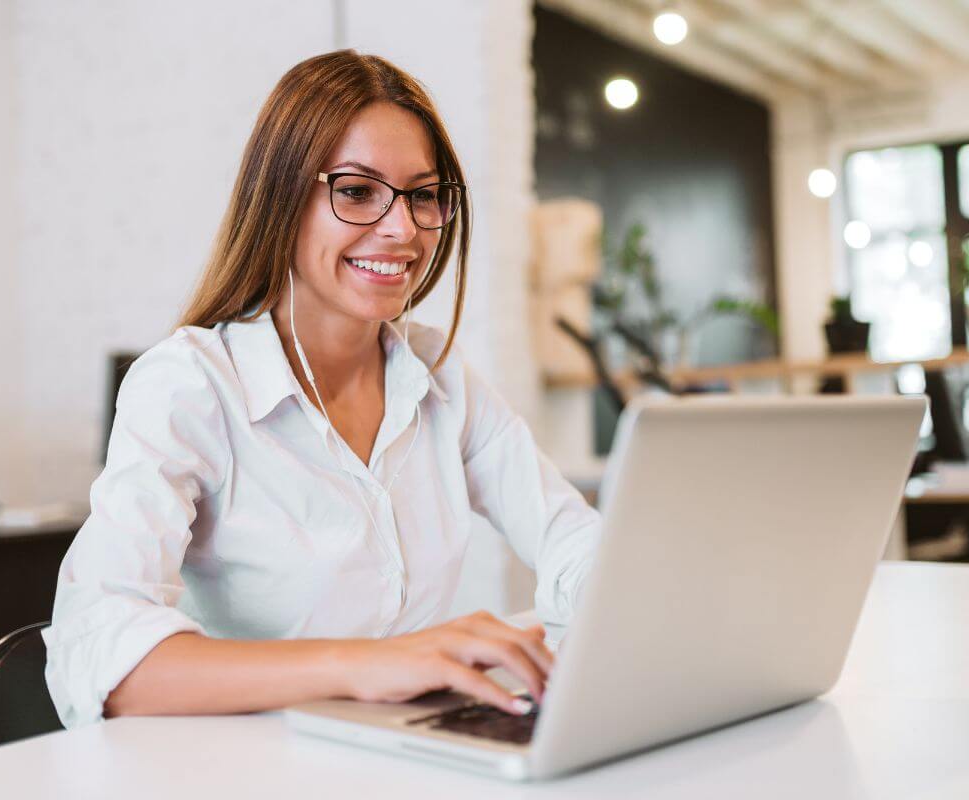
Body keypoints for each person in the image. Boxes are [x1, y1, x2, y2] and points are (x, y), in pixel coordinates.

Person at [43, 50, 600, 729]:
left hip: (391, 756)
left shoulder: (439, 377)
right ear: (280, 200)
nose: (401, 229)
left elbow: (572, 539)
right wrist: (366, 665)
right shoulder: (189, 385)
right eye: (357, 191)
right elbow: (99, 650)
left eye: (423, 195)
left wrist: (621, 597)